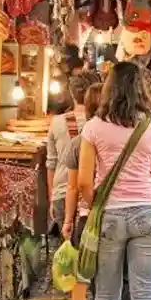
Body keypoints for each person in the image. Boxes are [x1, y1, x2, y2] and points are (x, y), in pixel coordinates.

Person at [78, 62, 151, 300]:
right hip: (147, 214)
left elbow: (83, 182)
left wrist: (97, 207)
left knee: (107, 293)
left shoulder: (93, 127)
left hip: (110, 217)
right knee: (144, 296)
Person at [61, 83, 103, 300]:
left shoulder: (80, 141)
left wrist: (68, 219)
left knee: (82, 267)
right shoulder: (118, 136)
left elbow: (73, 186)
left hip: (87, 215)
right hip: (109, 211)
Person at [47, 75, 94, 232]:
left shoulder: (57, 122)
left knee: (67, 249)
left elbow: (51, 163)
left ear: (71, 94)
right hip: (90, 195)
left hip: (61, 190)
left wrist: (51, 197)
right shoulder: (98, 124)